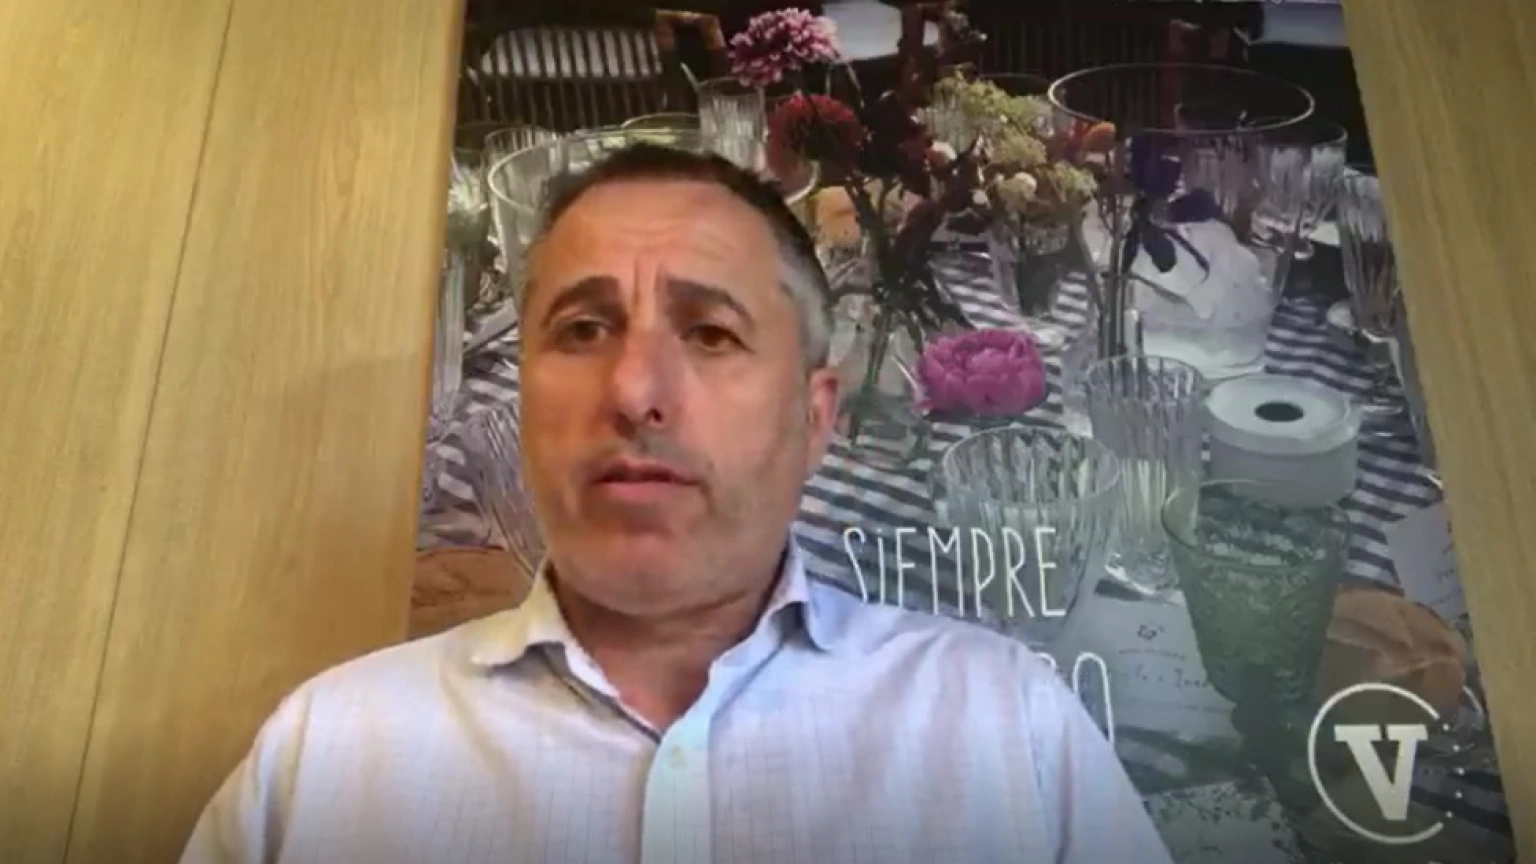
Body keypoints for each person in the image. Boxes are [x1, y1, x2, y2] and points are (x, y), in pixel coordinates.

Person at [180, 145, 1173, 864]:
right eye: (582, 329)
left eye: (710, 334)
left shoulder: (1004, 730)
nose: (633, 390)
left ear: (814, 417)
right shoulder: (324, 761)